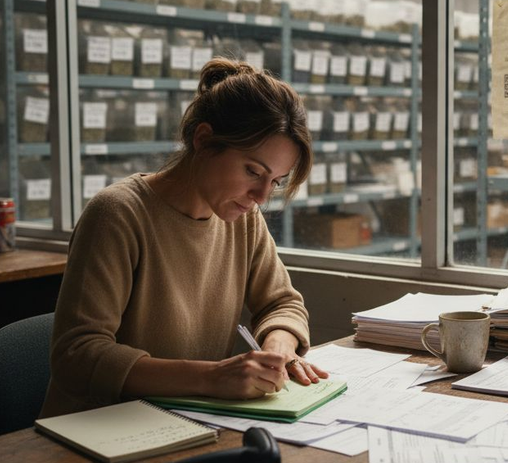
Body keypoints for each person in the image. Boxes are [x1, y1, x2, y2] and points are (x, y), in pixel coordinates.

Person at [40, 58, 328, 417]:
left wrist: (279, 349)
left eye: (275, 182)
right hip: (96, 429)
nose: (261, 197)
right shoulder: (118, 214)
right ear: (204, 140)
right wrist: (211, 378)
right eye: (253, 171)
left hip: (187, 418)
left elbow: (283, 304)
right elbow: (77, 355)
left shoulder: (243, 218)